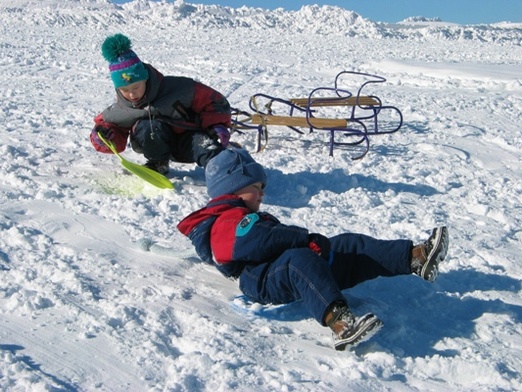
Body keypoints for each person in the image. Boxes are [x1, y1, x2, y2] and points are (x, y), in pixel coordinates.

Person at [177, 148, 449, 350]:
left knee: (347, 245)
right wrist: (303, 239)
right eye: (255, 187)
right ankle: (340, 323)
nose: (262, 193)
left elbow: (268, 239)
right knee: (300, 260)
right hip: (260, 278)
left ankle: (414, 258)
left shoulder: (236, 217)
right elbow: (257, 240)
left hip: (285, 266)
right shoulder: (227, 220)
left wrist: (310, 245)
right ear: (232, 189)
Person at [89, 33, 232, 174]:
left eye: (136, 87)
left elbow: (214, 101)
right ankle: (158, 164)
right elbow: (108, 128)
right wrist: (104, 137)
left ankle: (227, 170)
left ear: (145, 79)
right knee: (148, 126)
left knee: (208, 149)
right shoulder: (120, 110)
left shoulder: (178, 88)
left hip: (190, 139)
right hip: (155, 145)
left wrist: (217, 125)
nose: (132, 94)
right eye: (125, 90)